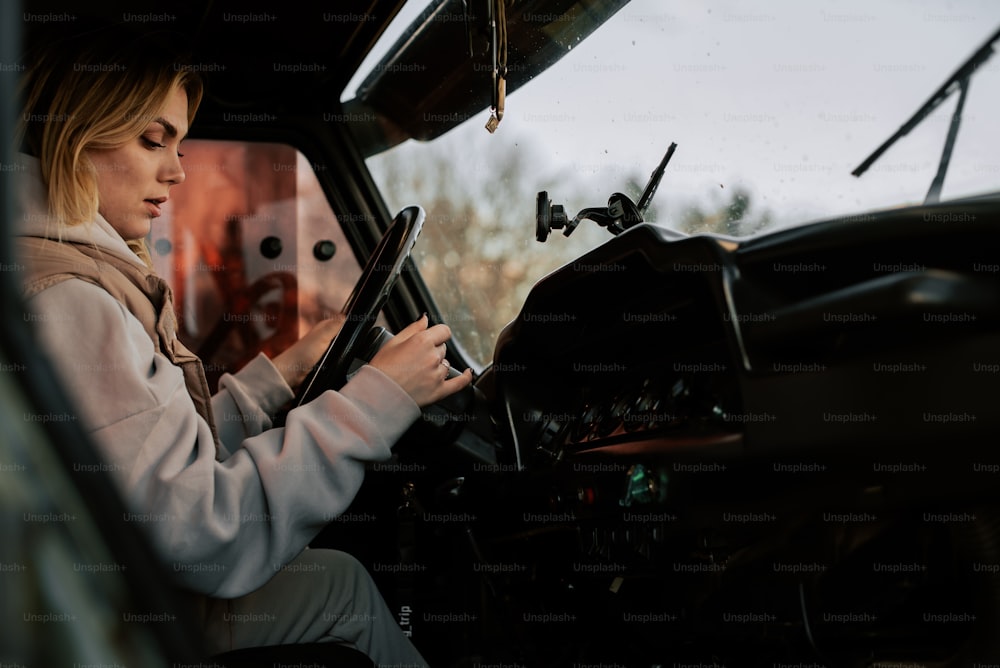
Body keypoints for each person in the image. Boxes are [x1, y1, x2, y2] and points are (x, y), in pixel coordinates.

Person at [14, 25, 471, 666]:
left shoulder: (71, 274)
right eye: (153, 140)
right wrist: (377, 403)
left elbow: (153, 457)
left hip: (112, 588)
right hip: (117, 622)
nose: (176, 171)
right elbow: (201, 531)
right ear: (75, 133)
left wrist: (282, 374)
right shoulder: (69, 300)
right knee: (342, 589)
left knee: (337, 579)